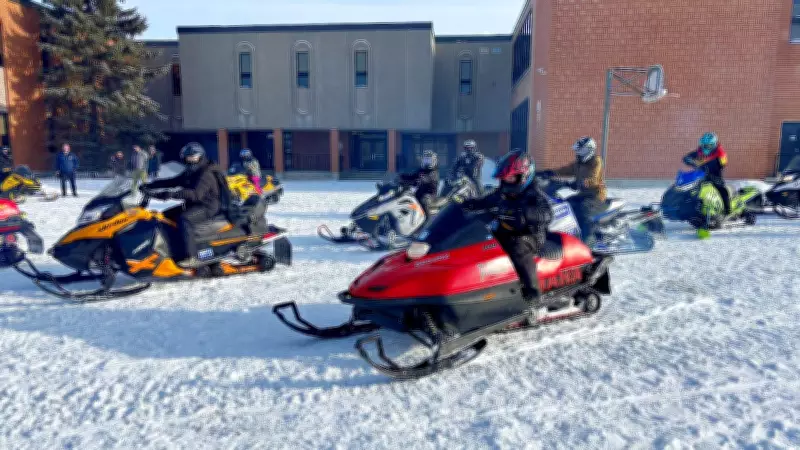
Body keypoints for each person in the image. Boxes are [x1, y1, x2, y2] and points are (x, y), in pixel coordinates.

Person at [462, 149, 553, 303]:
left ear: (523, 176)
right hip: (505, 231)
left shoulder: (533, 194)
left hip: (529, 236)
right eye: (504, 178)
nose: (506, 181)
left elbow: (547, 214)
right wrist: (467, 204)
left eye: (510, 177)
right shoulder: (502, 192)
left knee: (517, 248)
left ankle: (532, 292)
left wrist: (526, 213)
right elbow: (485, 201)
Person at [142, 142, 223, 268]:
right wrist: (150, 185)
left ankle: (191, 256)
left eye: (193, 157)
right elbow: (173, 181)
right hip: (195, 204)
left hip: (208, 206)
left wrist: (170, 195)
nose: (190, 160)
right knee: (164, 215)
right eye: (188, 157)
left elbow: (196, 194)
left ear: (200, 157)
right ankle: (171, 249)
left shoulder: (206, 173)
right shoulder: (191, 172)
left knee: (184, 219)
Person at [545, 136, 607, 247]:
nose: (577, 152)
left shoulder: (596, 161)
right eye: (577, 150)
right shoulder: (578, 163)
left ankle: (588, 241)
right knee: (564, 204)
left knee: (584, 211)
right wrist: (549, 173)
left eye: (580, 150)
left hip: (596, 196)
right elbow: (565, 170)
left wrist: (577, 183)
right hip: (583, 194)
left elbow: (594, 178)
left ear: (588, 150)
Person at [683, 132, 731, 216]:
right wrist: (688, 159)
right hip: (700, 176)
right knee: (690, 189)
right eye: (704, 145)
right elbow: (689, 156)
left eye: (708, 145)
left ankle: (727, 209)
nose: (706, 147)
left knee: (722, 190)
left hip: (715, 176)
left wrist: (712, 165)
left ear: (713, 145)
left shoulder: (720, 153)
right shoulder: (700, 151)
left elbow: (722, 164)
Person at [397, 149, 440, 215]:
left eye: (429, 160)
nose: (427, 162)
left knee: (424, 201)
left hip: (429, 195)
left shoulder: (434, 172)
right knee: (406, 199)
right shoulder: (421, 170)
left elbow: (427, 179)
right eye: (426, 160)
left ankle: (427, 220)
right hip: (419, 193)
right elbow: (413, 176)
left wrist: (418, 181)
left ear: (433, 161)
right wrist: (402, 177)